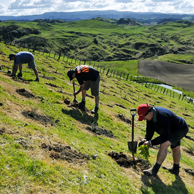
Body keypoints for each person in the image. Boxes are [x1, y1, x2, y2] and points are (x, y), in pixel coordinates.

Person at [137, 103, 189, 176]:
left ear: (150, 112)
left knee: (164, 145)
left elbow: (165, 136)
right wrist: (146, 139)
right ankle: (175, 169)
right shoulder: (150, 117)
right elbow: (150, 130)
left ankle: (154, 170)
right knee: (175, 148)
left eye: (144, 117)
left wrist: (151, 143)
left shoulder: (163, 117)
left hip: (180, 129)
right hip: (171, 129)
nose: (144, 119)